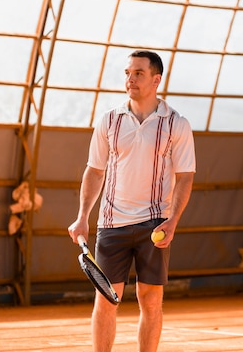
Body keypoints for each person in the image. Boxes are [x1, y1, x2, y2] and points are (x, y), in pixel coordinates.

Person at [68, 50, 196, 352]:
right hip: (112, 225)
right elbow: (94, 170)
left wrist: (173, 221)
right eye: (127, 72)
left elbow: (186, 176)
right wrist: (82, 216)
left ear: (156, 79)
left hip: (155, 224)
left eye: (138, 73)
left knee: (150, 301)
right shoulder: (109, 120)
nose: (130, 79)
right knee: (106, 299)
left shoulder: (176, 123)